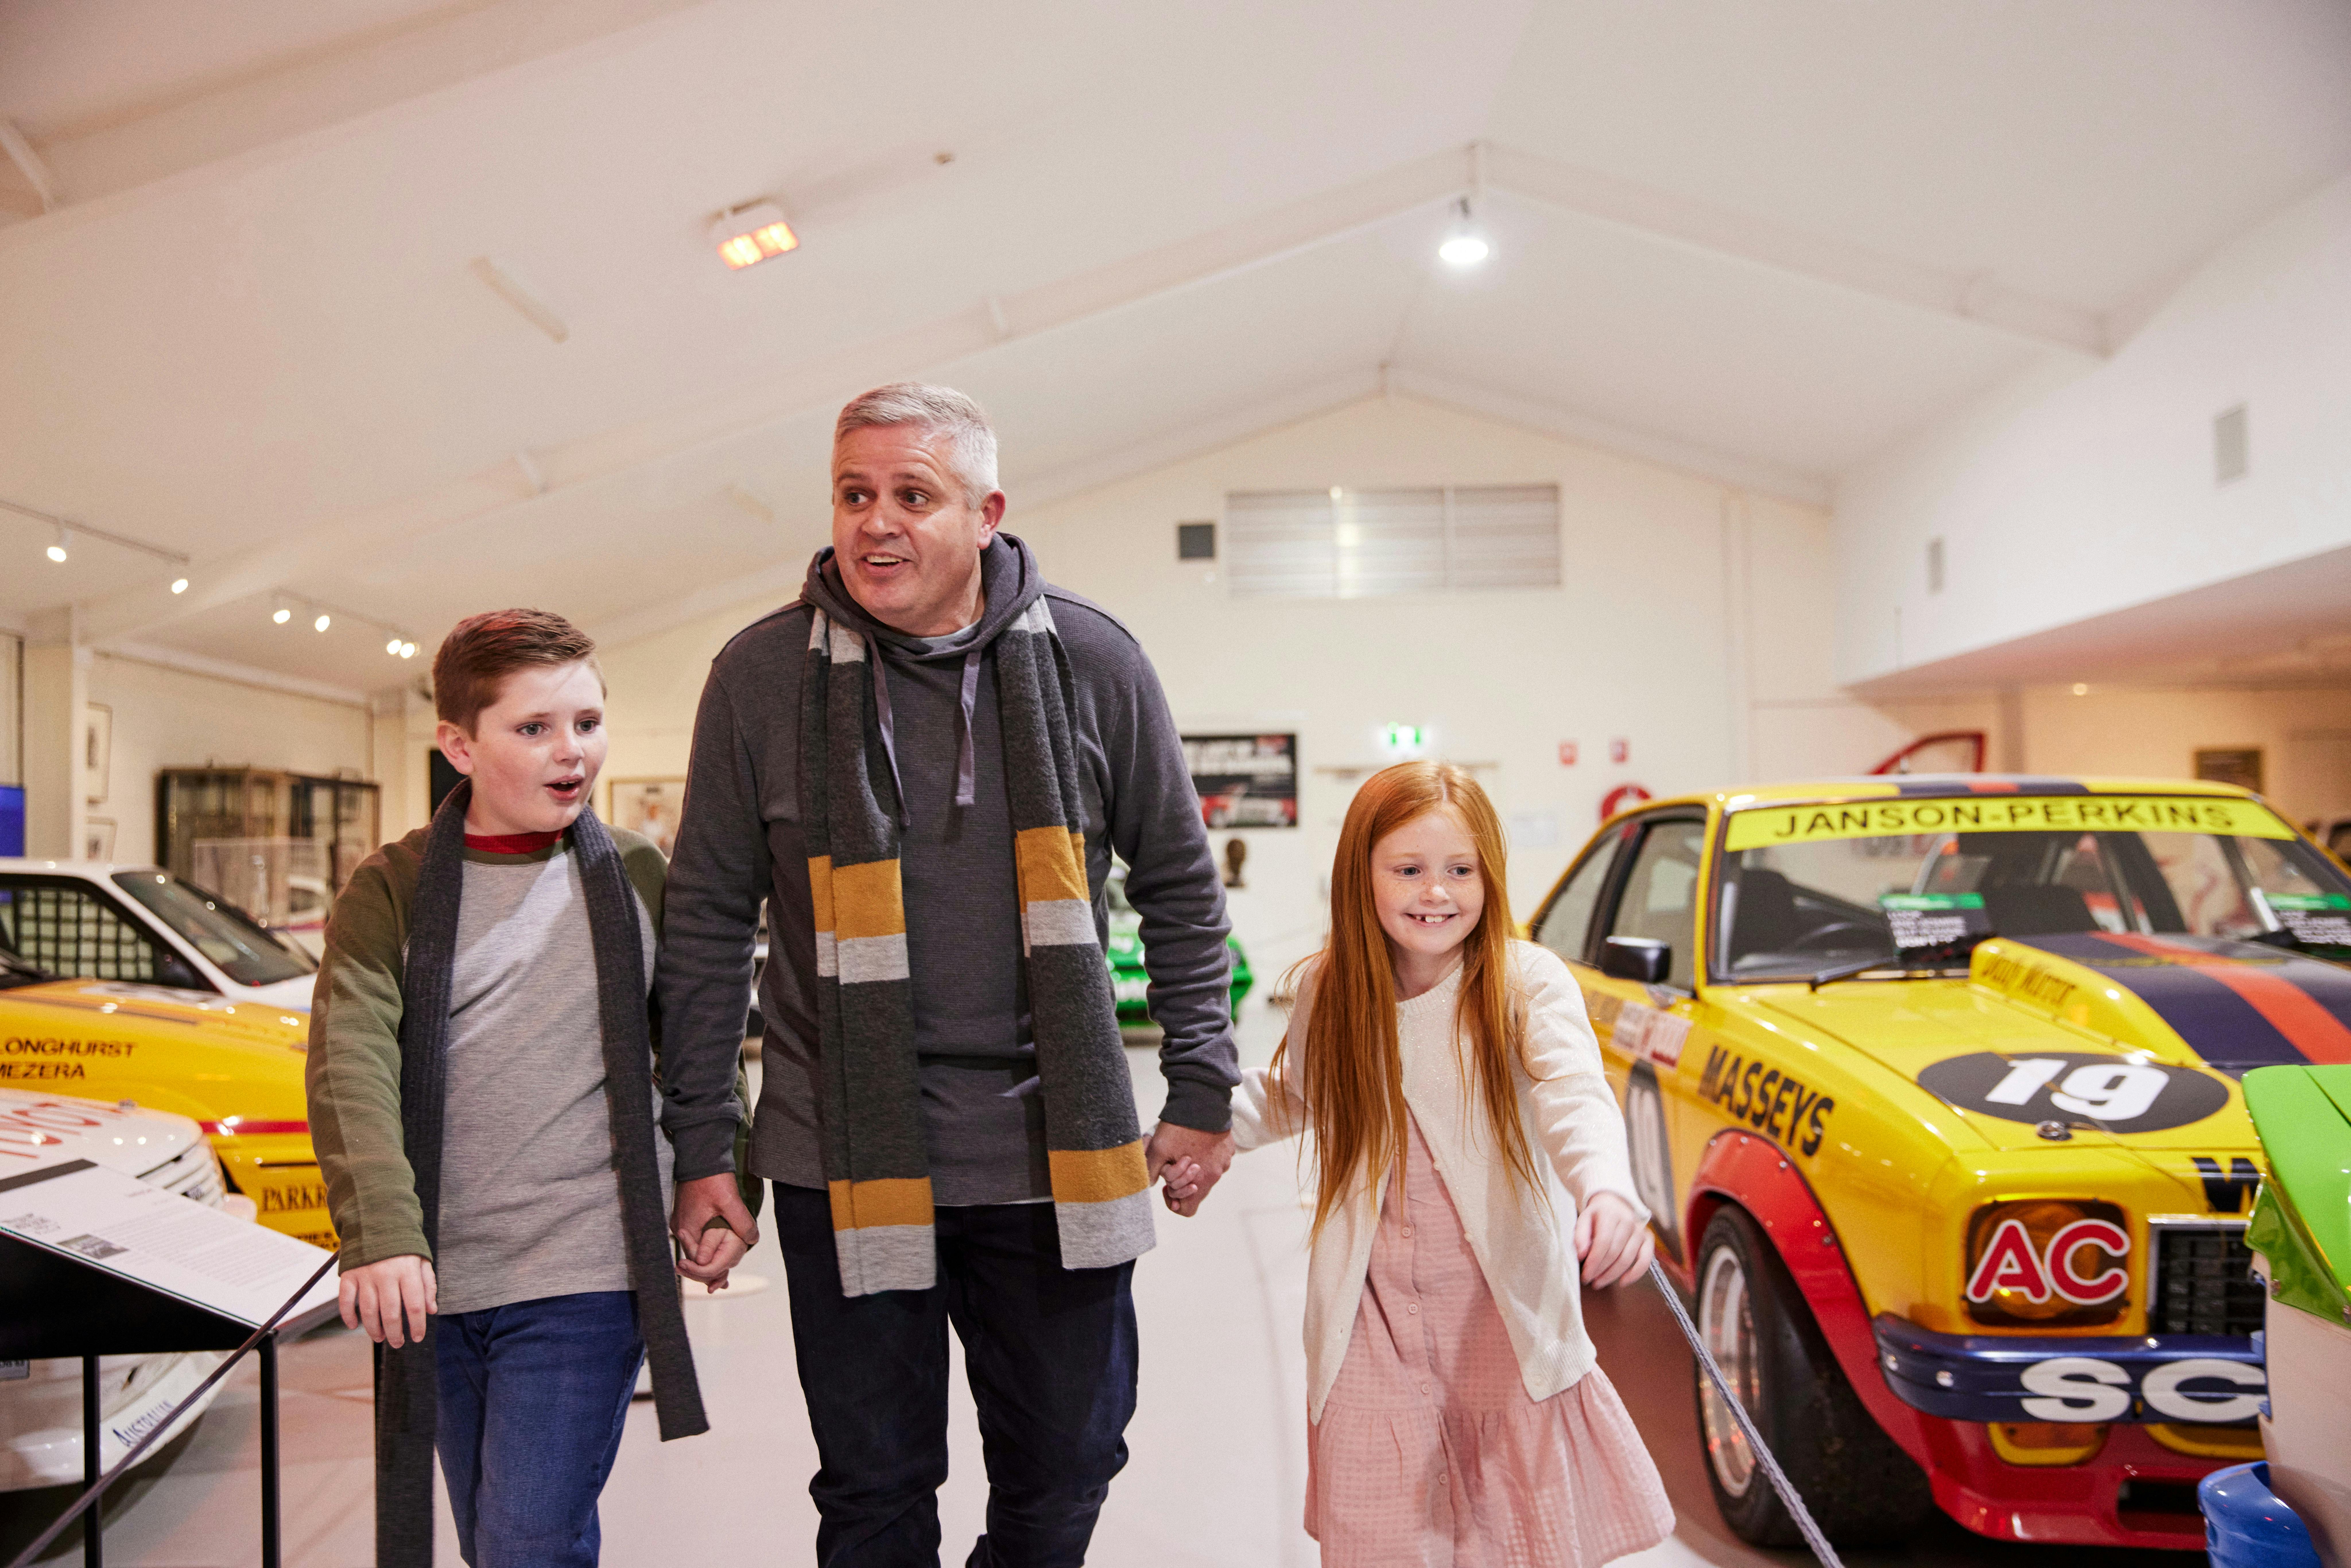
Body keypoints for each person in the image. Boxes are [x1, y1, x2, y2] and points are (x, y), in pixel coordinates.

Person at [655, 383, 1239, 1565]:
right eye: (853, 494)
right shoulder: (759, 676)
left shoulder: (1091, 658)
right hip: (841, 1148)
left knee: (1071, 1460)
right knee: (873, 1488)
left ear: (984, 512)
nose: (874, 523)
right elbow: (709, 919)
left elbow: (1179, 881)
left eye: (910, 495)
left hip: (1051, 1153)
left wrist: (1200, 1086)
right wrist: (704, 1144)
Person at [1187, 760, 1673, 1566]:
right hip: (1368, 1310)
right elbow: (1295, 1094)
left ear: (1490, 877)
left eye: (1459, 870)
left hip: (1497, 1314)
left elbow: (1575, 1096)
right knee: (1382, 1516)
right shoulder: (1333, 990)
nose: (1435, 892)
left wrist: (1608, 1193)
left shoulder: (1524, 984)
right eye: (1408, 869)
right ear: (1361, 876)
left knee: (1509, 1528)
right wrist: (1203, 1138)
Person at [307, 609, 709, 1568]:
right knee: (498, 1536)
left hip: (588, 1271)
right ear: (459, 744)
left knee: (526, 1539)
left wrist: (716, 1179)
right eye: (534, 729)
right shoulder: (391, 888)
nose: (571, 752)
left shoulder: (642, 876)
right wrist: (382, 1234)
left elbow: (699, 1051)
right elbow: (349, 1060)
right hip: (437, 1279)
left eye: (586, 722)